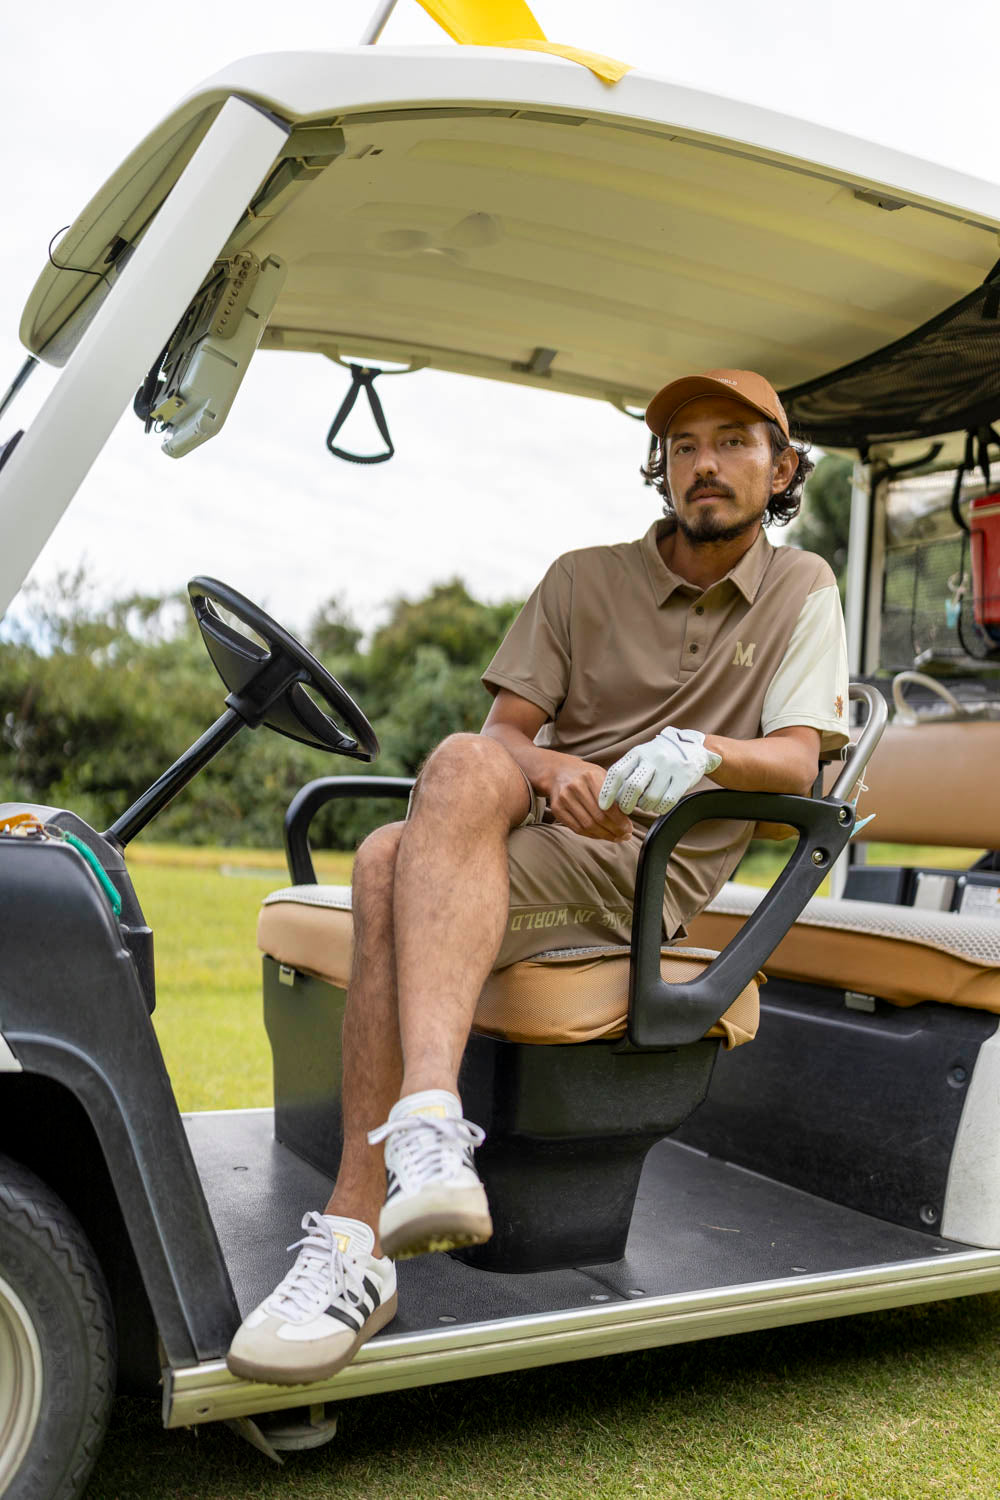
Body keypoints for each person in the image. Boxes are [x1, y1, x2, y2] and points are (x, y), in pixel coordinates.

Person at [227, 368, 850, 1385]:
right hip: (544, 828)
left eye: (733, 442)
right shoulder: (581, 578)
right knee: (450, 775)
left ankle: (356, 1236)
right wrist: (555, 771)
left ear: (780, 469)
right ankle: (427, 1130)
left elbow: (794, 760)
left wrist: (703, 751)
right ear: (661, 468)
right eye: (684, 445)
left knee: (386, 860)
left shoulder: (802, 586)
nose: (704, 464)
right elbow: (505, 737)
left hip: (647, 870)